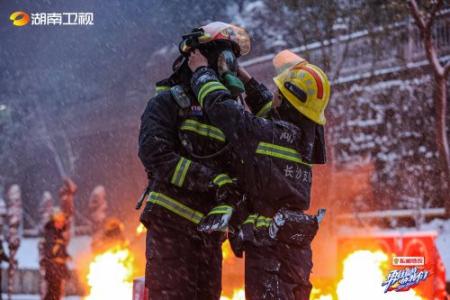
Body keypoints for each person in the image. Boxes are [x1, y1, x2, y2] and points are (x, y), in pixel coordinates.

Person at [188, 45, 330, 299]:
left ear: (287, 102)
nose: (274, 95)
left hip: (270, 251)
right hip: (294, 250)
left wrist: (201, 73)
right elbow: (271, 114)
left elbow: (226, 113)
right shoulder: (301, 138)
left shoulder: (269, 135)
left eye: (279, 93)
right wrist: (243, 76)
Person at [137, 21, 251, 300]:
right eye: (225, 58)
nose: (229, 67)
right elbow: (155, 155)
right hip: (170, 232)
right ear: (201, 57)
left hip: (209, 238)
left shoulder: (226, 112)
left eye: (233, 61)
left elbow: (246, 163)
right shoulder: (167, 103)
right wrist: (212, 181)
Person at [41, 209, 70, 300]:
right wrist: (59, 258)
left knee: (55, 293)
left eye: (63, 221)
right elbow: (50, 251)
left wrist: (66, 256)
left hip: (57, 269)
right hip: (53, 269)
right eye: (60, 221)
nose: (62, 223)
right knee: (53, 293)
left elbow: (60, 250)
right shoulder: (51, 233)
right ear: (55, 222)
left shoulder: (58, 234)